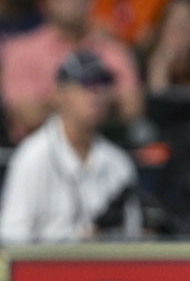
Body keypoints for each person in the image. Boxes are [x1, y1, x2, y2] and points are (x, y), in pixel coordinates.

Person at [0, 50, 139, 243]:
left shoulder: (119, 164)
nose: (97, 94)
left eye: (104, 83)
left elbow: (133, 240)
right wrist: (78, 241)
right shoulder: (33, 157)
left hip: (107, 262)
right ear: (60, 94)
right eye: (87, 84)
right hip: (46, 262)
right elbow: (11, 240)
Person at [0, 0, 142, 142]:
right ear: (46, 1)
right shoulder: (22, 51)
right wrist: (91, 98)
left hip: (103, 145)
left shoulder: (112, 50)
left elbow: (133, 107)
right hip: (38, 148)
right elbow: (28, 114)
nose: (74, 0)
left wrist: (59, 101)